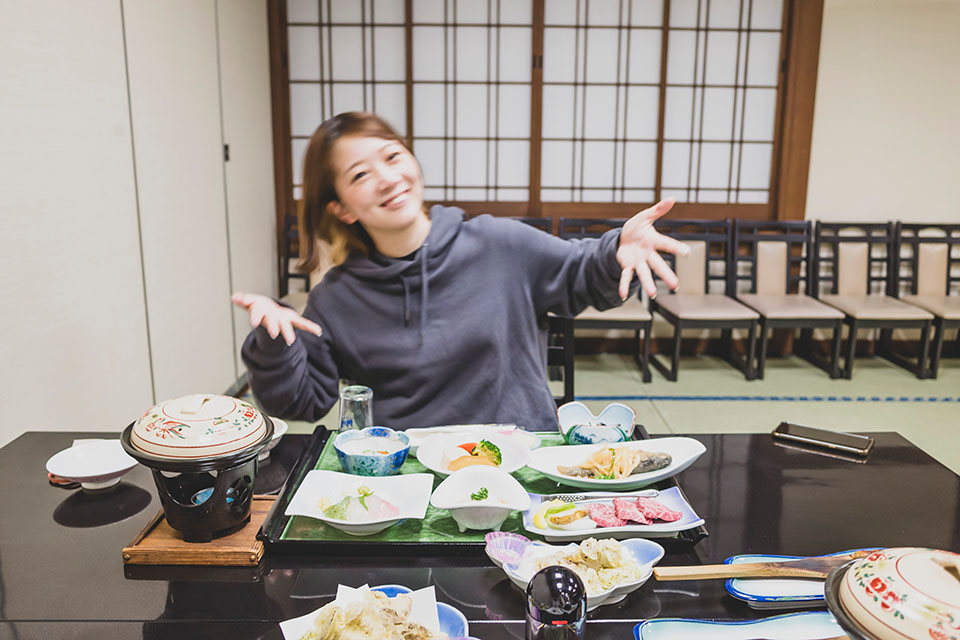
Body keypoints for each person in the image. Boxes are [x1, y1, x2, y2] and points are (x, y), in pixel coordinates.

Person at [233, 112, 688, 431]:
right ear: (342, 209)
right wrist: (273, 342)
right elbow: (303, 402)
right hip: (409, 481)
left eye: (392, 157)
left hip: (520, 462)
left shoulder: (499, 243)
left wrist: (617, 249)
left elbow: (581, 271)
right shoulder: (336, 298)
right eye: (360, 175)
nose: (387, 178)